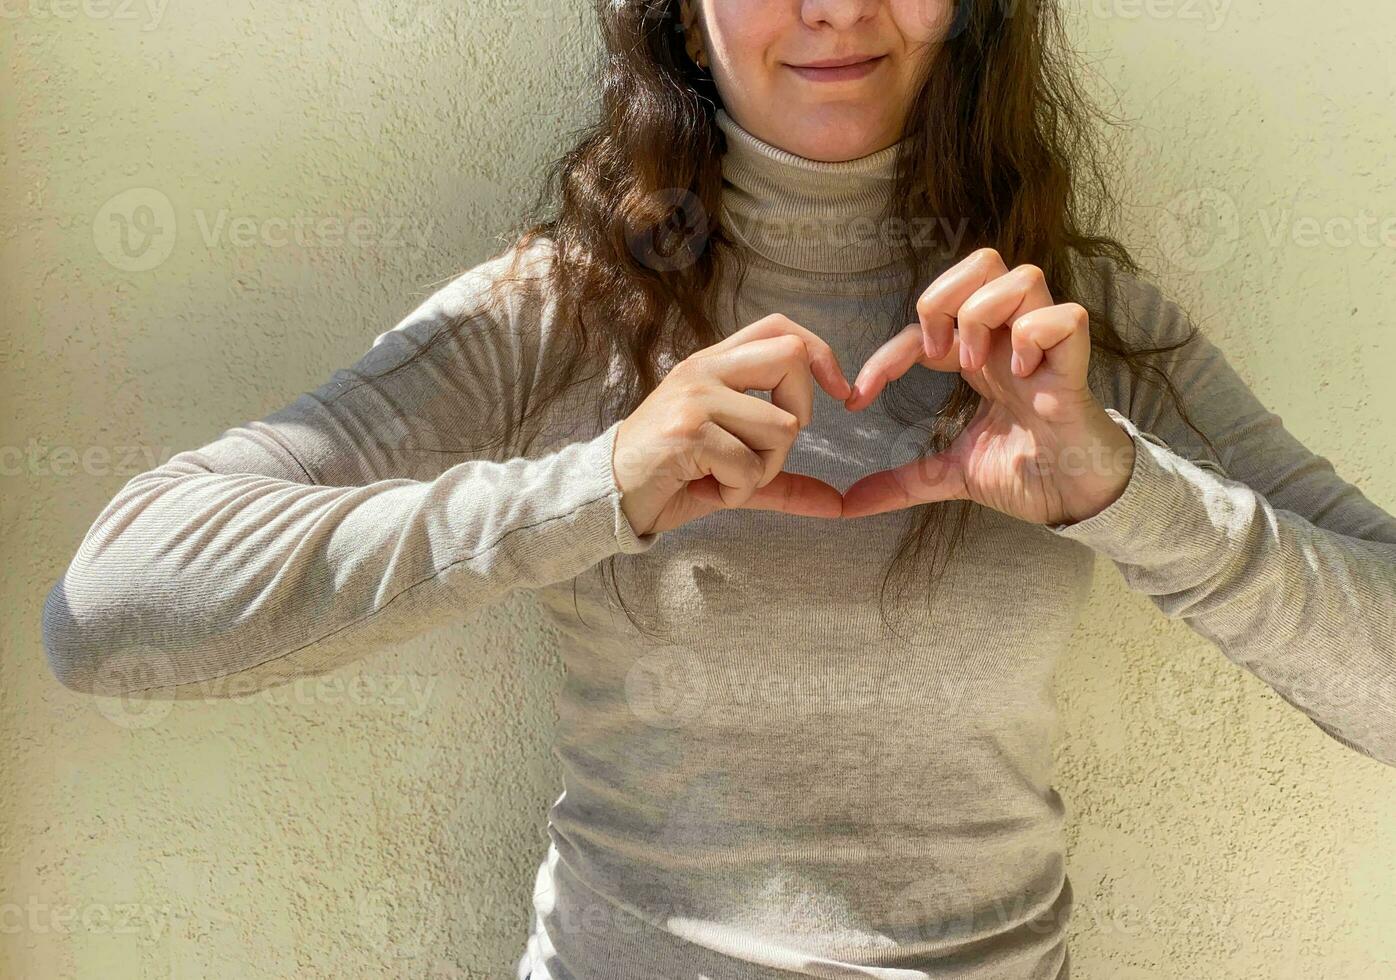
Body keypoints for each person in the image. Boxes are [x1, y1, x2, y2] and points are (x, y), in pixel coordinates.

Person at [41, 1, 1396, 978]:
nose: (836, 8)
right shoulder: (566, 310)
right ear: (680, 18)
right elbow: (109, 611)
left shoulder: (1070, 328)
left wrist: (1122, 490)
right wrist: (600, 486)